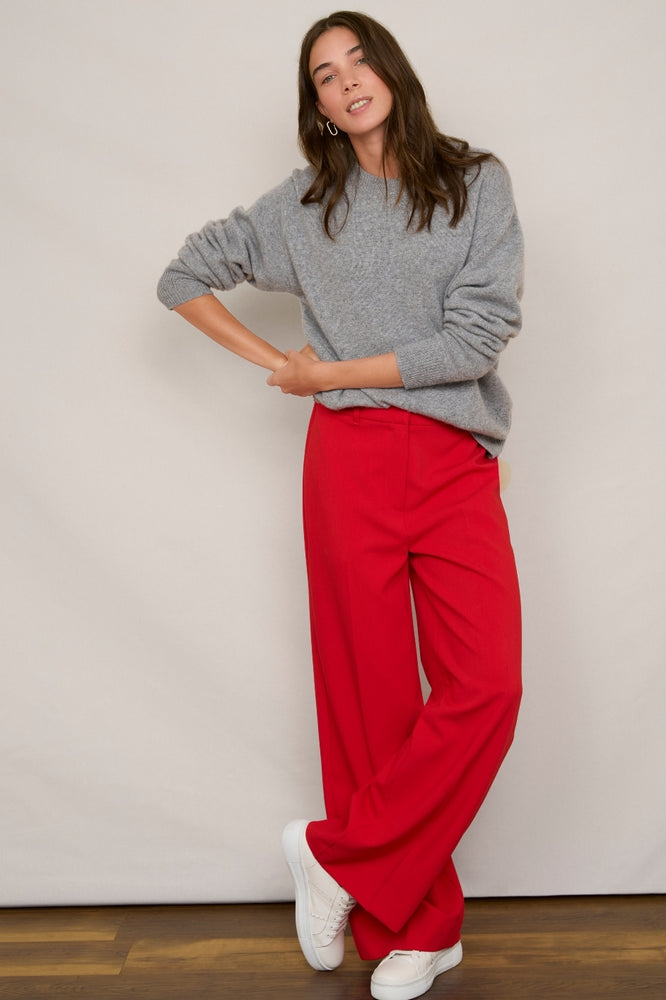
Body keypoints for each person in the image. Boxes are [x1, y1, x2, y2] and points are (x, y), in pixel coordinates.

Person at [157, 11, 523, 1000]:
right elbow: (183, 275)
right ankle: (421, 930)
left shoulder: (475, 182)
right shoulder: (304, 207)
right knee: (372, 702)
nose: (348, 80)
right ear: (316, 105)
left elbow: (475, 339)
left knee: (487, 685)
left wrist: (328, 372)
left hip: (453, 457)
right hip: (349, 463)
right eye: (325, 74)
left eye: (360, 59)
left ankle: (335, 856)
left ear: (391, 71)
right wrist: (280, 363)